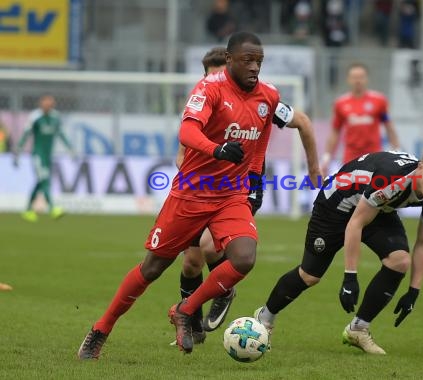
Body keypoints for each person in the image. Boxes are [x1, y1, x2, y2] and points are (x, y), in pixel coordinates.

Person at [78, 31, 282, 359]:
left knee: (243, 259)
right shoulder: (210, 87)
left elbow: (259, 143)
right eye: (247, 60)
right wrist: (217, 150)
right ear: (229, 60)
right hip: (191, 194)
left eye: (259, 60)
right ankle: (101, 329)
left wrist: (254, 181)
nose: (254, 67)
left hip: (231, 195)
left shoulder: (269, 96)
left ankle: (185, 309)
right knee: (152, 269)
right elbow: (186, 132)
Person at [170, 47, 321, 345]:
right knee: (190, 262)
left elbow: (303, 122)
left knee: (211, 248)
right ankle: (192, 327)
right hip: (201, 189)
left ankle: (224, 290)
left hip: (241, 188)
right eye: (210, 77)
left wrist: (314, 169)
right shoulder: (202, 102)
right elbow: (181, 154)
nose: (217, 82)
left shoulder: (260, 99)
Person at [254, 145, 423, 354]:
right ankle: (265, 318)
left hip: (376, 206)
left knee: (399, 261)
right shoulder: (392, 180)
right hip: (336, 204)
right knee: (310, 275)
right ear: (420, 168)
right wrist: (350, 277)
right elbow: (355, 223)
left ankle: (358, 329)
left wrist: (414, 291)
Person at [321, 63, 400, 176]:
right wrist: (327, 157)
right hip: (351, 156)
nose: (358, 81)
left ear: (366, 79)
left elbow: (389, 126)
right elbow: (335, 132)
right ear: (348, 79)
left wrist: (397, 149)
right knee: (351, 190)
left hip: (374, 154)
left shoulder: (379, 101)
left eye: (361, 77)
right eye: (354, 77)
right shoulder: (341, 103)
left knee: (372, 190)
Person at [13, 95, 75, 222]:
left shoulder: (55, 117)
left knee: (40, 182)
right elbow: (26, 134)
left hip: (48, 155)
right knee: (45, 180)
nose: (48, 105)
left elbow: (61, 134)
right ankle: (52, 208)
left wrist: (70, 148)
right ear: (41, 104)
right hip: (37, 155)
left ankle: (28, 210)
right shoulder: (35, 117)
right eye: (45, 103)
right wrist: (18, 151)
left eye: (50, 103)